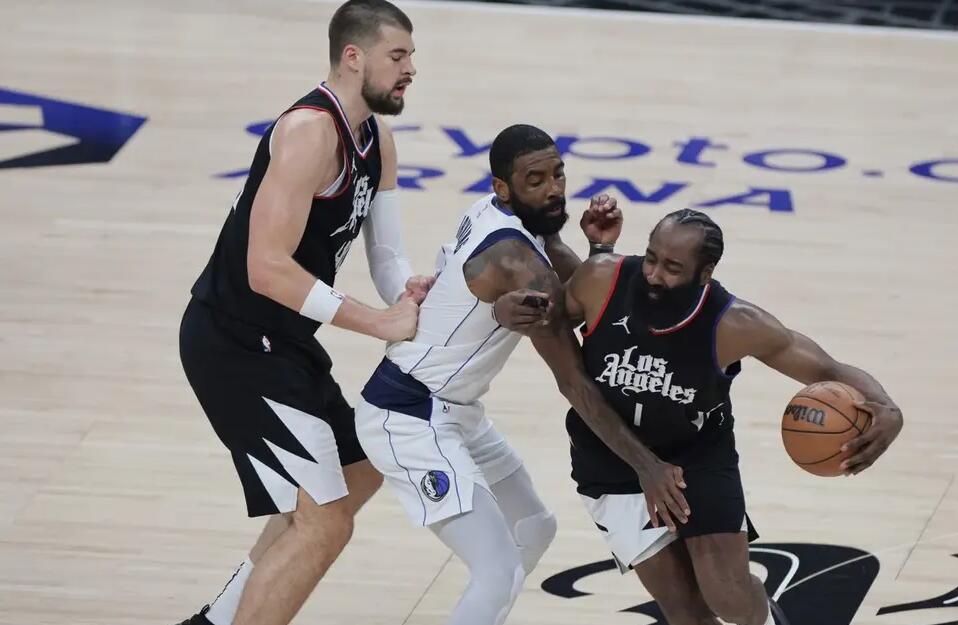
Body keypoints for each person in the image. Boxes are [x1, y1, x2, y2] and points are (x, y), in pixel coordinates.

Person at [352, 124, 689, 625]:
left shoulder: (501, 215)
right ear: (503, 187)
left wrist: (598, 252)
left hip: (455, 409)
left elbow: (569, 287)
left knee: (533, 528)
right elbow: (575, 380)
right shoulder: (515, 261)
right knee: (497, 569)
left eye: (558, 174)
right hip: (408, 412)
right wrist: (647, 466)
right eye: (536, 180)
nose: (554, 189)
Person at [503, 208, 904, 625]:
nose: (654, 275)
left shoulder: (736, 323)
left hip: (696, 455)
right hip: (610, 459)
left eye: (673, 267)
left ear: (705, 273)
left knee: (728, 597)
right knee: (687, 613)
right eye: (651, 257)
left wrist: (888, 408)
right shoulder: (603, 276)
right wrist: (507, 309)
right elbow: (554, 321)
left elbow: (827, 368)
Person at [174, 2, 433, 624]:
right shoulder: (309, 132)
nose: (410, 69)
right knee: (324, 522)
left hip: (284, 342)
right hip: (236, 343)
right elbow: (266, 268)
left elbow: (386, 253)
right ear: (354, 57)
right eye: (398, 56)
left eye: (411, 56)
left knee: (358, 469)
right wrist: (378, 322)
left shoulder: (377, 138)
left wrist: (408, 293)